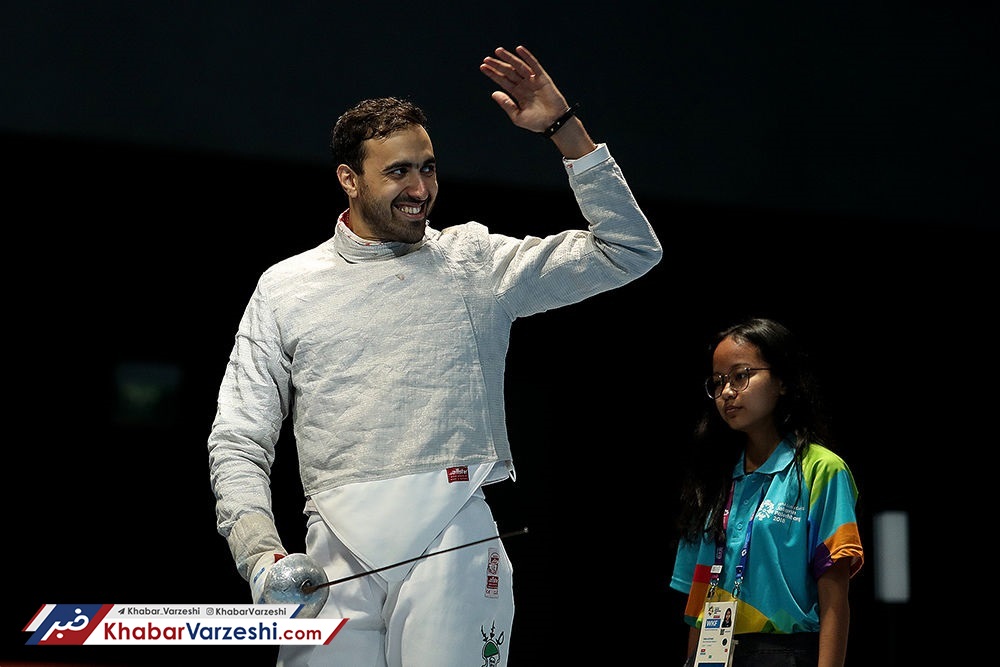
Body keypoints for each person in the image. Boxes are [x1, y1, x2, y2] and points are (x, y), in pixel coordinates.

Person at [206, 44, 662, 667]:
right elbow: (238, 438)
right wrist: (259, 555)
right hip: (333, 558)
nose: (420, 188)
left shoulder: (475, 263)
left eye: (428, 168)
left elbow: (628, 249)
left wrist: (564, 130)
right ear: (349, 178)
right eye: (398, 172)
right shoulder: (286, 287)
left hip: (454, 542)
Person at [670, 317, 864, 667]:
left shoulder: (822, 470)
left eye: (741, 376)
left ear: (783, 381)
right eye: (718, 382)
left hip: (786, 654)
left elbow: (835, 600)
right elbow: (699, 603)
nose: (727, 391)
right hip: (712, 655)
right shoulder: (712, 477)